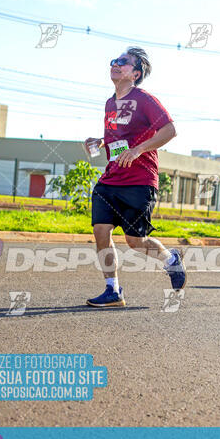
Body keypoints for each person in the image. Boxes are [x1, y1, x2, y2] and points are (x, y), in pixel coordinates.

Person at [85, 46, 186, 307]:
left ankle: (171, 260)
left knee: (135, 241)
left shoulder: (144, 99)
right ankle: (113, 290)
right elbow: (117, 140)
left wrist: (139, 149)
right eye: (114, 61)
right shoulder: (109, 102)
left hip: (139, 181)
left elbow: (170, 129)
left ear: (135, 74)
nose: (115, 64)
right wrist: (99, 142)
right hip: (111, 179)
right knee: (100, 231)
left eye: (123, 62)